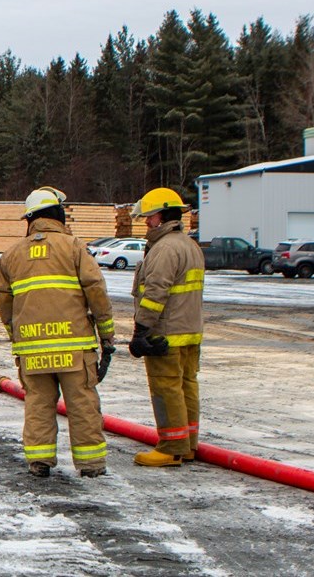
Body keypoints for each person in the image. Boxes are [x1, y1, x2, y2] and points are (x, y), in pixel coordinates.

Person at [0, 186, 116, 478]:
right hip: (74, 348)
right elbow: (96, 291)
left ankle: (39, 461)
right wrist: (106, 334)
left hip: (32, 350)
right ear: (58, 214)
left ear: (30, 219)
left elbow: (4, 302)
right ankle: (90, 464)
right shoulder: (74, 247)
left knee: (38, 404)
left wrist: (17, 336)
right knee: (83, 404)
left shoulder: (11, 255)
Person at [128, 187, 205, 467]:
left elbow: (155, 293)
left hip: (166, 335)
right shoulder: (189, 245)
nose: (147, 222)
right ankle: (187, 445)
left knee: (166, 389)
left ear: (162, 215)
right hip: (189, 332)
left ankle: (171, 447)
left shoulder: (164, 249)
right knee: (186, 386)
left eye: (150, 216)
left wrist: (141, 331)